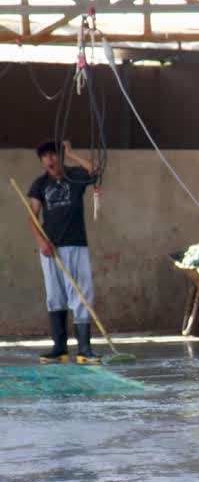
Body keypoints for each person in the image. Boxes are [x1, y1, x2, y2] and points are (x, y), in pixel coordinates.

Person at [26, 140, 101, 364]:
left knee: (81, 293)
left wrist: (71, 153)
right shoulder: (39, 184)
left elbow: (95, 170)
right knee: (54, 295)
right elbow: (32, 217)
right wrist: (41, 242)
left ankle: (84, 349)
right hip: (51, 248)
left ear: (60, 156)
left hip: (76, 244)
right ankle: (59, 348)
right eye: (45, 156)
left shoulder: (75, 176)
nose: (49, 160)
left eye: (53, 155)